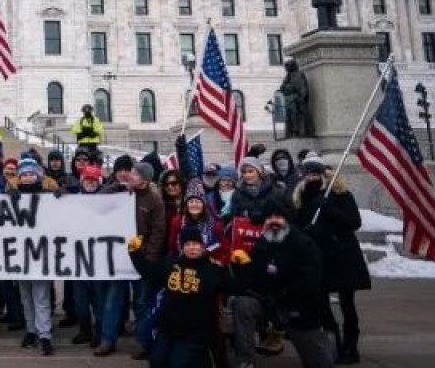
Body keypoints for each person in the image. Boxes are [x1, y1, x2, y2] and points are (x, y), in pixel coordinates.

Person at [231, 198, 334, 368]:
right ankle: (245, 361)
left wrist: (283, 297)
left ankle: (325, 343)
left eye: (278, 217)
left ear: (287, 219)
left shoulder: (304, 244)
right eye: (269, 217)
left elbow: (310, 283)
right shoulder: (263, 243)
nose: (273, 221)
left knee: (320, 362)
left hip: (298, 309)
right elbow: (255, 278)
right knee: (242, 304)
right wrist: (240, 267)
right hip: (269, 305)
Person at [292, 157, 370, 364]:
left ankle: (350, 345)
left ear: (323, 174)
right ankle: (333, 340)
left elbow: (354, 221)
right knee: (321, 302)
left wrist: (330, 209)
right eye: (308, 173)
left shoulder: (338, 193)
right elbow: (296, 225)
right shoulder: (300, 196)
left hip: (342, 255)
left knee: (347, 303)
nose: (312, 177)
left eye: (316, 173)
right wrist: (304, 233)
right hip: (318, 258)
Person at [140, 224, 233, 368]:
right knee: (157, 360)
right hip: (168, 328)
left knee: (179, 363)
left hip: (194, 333)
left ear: (202, 246)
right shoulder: (170, 263)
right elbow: (148, 272)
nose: (192, 248)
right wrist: (134, 253)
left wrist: (243, 268)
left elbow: (234, 287)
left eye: (196, 244)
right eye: (188, 244)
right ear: (182, 247)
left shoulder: (212, 268)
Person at [100, 161, 165, 359]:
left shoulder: (154, 201)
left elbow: (158, 231)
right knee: (113, 301)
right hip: (119, 256)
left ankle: (141, 341)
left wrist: (148, 259)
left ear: (144, 181)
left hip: (141, 259)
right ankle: (107, 340)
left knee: (141, 302)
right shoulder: (121, 192)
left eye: (135, 174)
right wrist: (116, 187)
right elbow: (98, 201)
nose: (130, 176)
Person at [5, 159, 55, 355]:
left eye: (30, 174)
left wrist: (62, 197)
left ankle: (45, 335)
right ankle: (31, 330)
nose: (27, 177)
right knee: (26, 297)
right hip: (20, 256)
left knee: (41, 297)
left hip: (41, 255)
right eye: (23, 175)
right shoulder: (10, 196)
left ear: (37, 175)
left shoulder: (48, 196)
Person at [71, 164, 105, 347]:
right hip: (78, 259)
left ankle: (98, 333)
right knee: (80, 300)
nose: (90, 183)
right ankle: (85, 330)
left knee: (99, 299)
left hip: (99, 260)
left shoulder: (108, 201)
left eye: (94, 180)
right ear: (82, 181)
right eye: (87, 180)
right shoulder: (73, 200)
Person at [169, 180, 230, 266]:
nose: (194, 205)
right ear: (186, 205)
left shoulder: (215, 225)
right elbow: (172, 247)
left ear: (204, 205)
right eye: (191, 202)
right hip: (183, 262)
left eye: (198, 202)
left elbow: (224, 249)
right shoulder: (177, 222)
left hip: (208, 263)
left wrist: (218, 262)